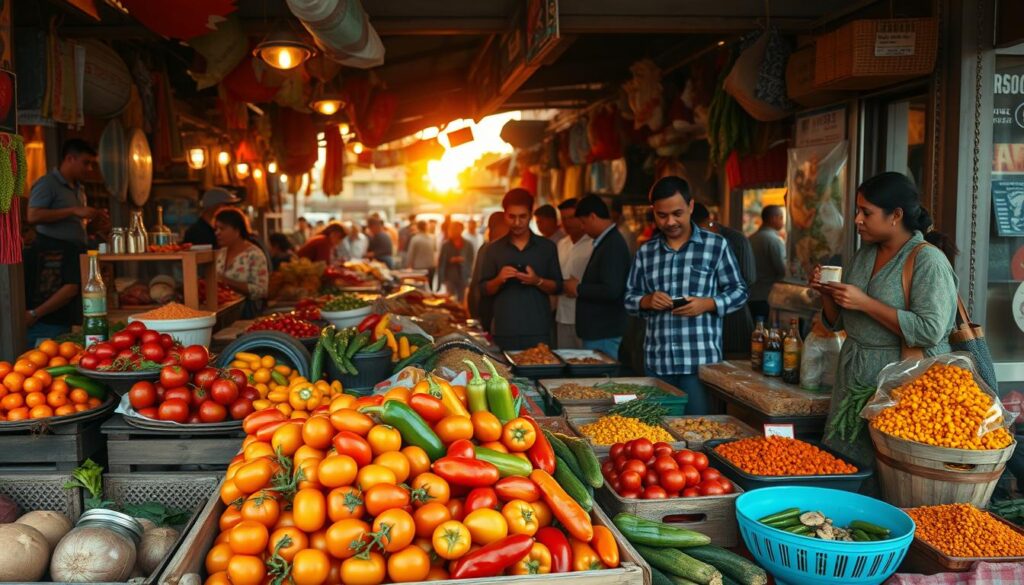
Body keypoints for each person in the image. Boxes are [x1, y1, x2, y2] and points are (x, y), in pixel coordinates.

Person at [811, 172, 958, 465]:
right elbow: (838, 323)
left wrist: (866, 303)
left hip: (899, 381)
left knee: (887, 468)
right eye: (857, 211)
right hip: (853, 377)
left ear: (896, 215)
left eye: (866, 212)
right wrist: (826, 293)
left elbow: (930, 330)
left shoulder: (928, 261)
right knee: (845, 461)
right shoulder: (863, 254)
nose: (857, 220)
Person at [624, 176, 749, 415]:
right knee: (660, 435)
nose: (670, 221)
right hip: (658, 363)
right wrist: (646, 301)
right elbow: (629, 298)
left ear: (691, 207)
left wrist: (709, 303)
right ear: (654, 212)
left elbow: (740, 291)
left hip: (699, 364)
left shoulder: (716, 246)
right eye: (662, 215)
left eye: (677, 213)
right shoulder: (646, 252)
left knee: (698, 432)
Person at [479, 189, 563, 349]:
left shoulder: (547, 247)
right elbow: (483, 289)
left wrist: (537, 281)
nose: (517, 223)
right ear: (505, 215)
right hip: (505, 330)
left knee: (539, 371)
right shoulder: (494, 249)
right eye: (512, 216)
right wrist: (499, 279)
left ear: (531, 215)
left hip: (538, 329)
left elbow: (557, 287)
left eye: (522, 217)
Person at [564, 195, 632, 358]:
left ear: (593, 216)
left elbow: (611, 289)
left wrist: (578, 288)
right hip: (599, 331)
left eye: (583, 222)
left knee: (601, 380)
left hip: (604, 331)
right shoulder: (605, 241)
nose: (582, 228)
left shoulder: (612, 244)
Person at [693, 203, 756, 357]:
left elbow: (748, 279)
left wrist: (710, 298)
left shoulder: (736, 240)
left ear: (710, 222)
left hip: (733, 323)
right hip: (702, 328)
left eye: (699, 229)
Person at [27, 139, 108, 246]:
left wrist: (94, 225)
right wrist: (73, 211)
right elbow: (33, 216)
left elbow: (72, 226)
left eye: (92, 164)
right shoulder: (47, 183)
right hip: (53, 252)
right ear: (70, 159)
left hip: (75, 250)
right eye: (86, 163)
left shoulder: (79, 188)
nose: (90, 169)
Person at [22, 227, 82, 346]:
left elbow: (70, 289)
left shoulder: (66, 247)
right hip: (27, 323)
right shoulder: (22, 250)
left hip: (51, 324)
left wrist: (34, 314)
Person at [215, 208, 269, 318]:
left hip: (246, 315)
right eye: (216, 229)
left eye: (222, 228)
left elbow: (261, 290)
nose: (217, 233)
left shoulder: (254, 254)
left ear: (237, 230)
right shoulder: (220, 254)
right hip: (222, 314)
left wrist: (225, 281)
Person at [553, 199, 593, 349]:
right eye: (563, 219)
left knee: (584, 363)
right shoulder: (561, 244)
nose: (567, 223)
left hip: (584, 316)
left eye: (571, 218)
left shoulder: (593, 244)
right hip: (562, 315)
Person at [468, 212, 509, 330]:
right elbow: (477, 284)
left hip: (489, 312)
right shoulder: (489, 249)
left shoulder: (486, 248)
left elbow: (474, 283)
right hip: (491, 313)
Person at [748, 205, 787, 323]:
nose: (783, 222)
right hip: (767, 296)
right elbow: (782, 270)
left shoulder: (750, 239)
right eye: (781, 217)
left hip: (751, 296)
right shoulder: (773, 240)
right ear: (773, 218)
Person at [438, 221, 475, 302]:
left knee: (462, 299)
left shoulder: (468, 244)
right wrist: (441, 278)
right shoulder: (445, 245)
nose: (450, 231)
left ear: (460, 230)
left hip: (463, 276)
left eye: (453, 229)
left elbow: (471, 260)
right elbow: (441, 262)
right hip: (450, 276)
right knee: (450, 299)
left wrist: (464, 262)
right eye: (450, 229)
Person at [405, 220, 438, 285]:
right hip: (431, 266)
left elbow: (411, 253)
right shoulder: (432, 238)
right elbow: (435, 252)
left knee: (420, 286)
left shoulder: (415, 239)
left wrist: (408, 265)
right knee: (430, 285)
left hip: (419, 267)